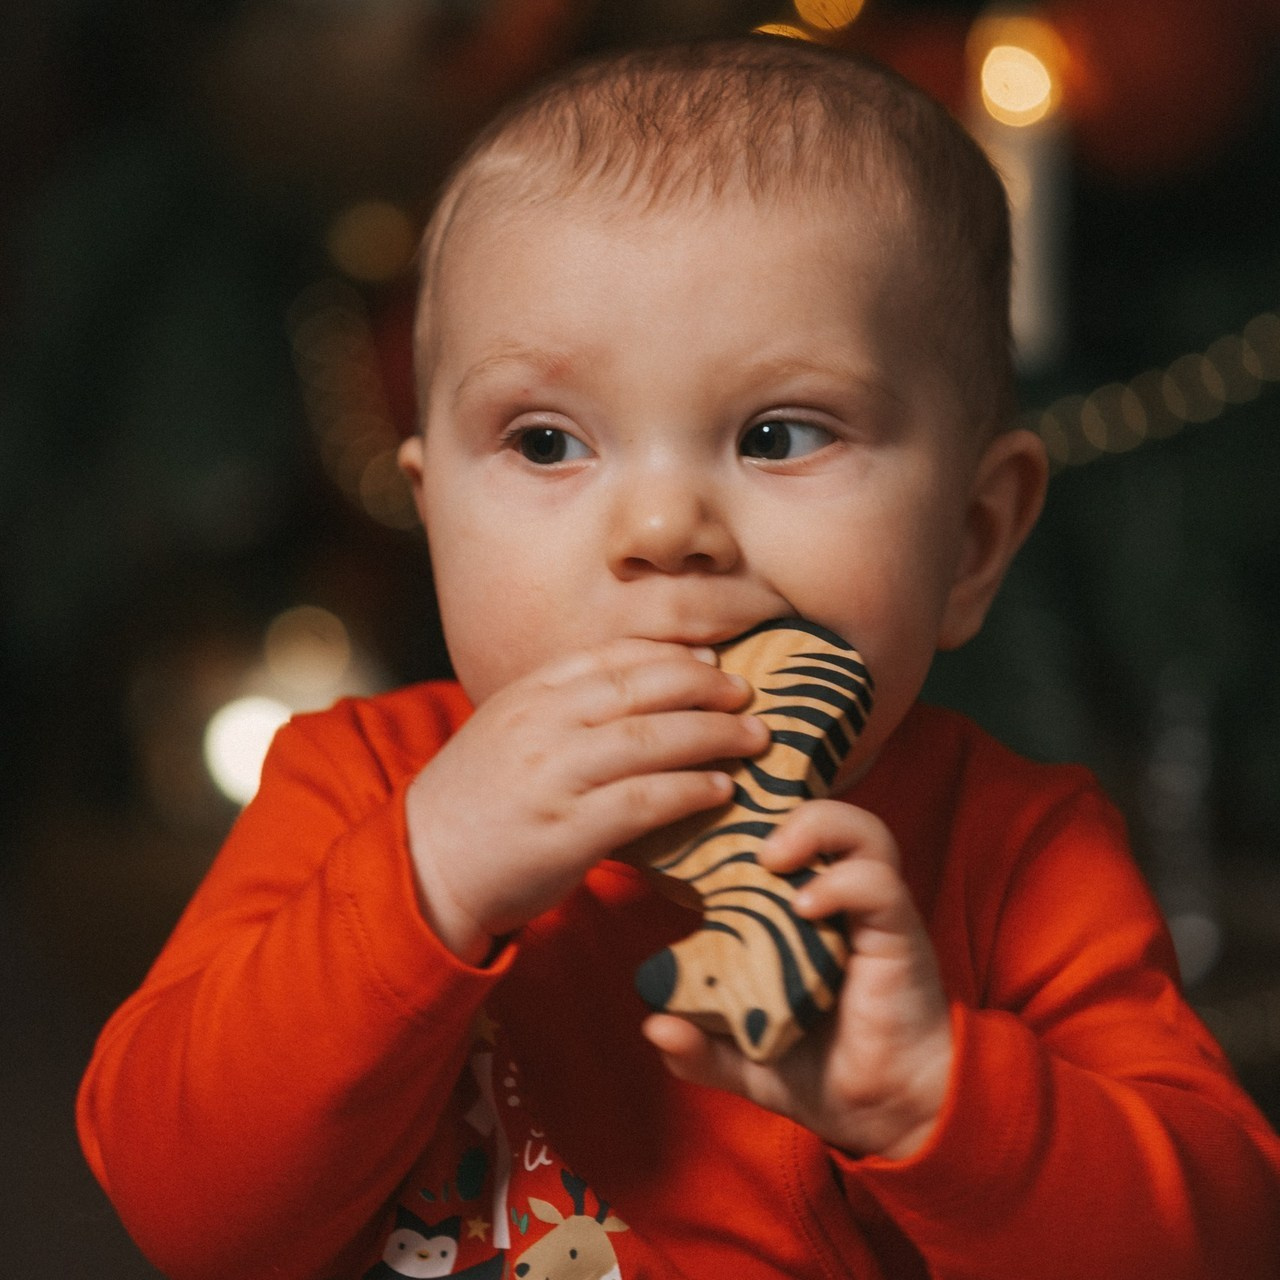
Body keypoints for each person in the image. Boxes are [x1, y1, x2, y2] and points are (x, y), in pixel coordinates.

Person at [77, 36, 1280, 1280]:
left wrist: (936, 1098)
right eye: (545, 442)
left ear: (971, 540)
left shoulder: (1019, 854)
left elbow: (1224, 1239)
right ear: (434, 515)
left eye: (776, 432)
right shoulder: (358, 787)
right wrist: (423, 881)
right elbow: (187, 1212)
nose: (661, 532)